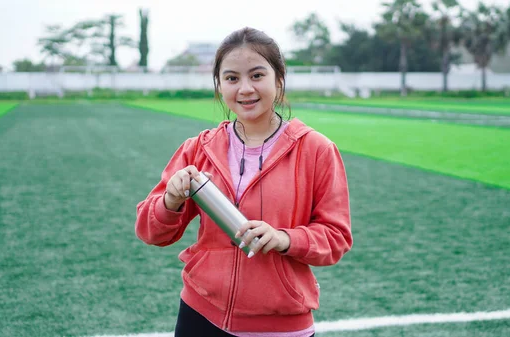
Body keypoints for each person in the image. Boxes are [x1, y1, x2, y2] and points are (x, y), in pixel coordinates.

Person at [135, 27, 352, 337]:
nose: (245, 89)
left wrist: (284, 239)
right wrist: (170, 201)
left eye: (257, 75)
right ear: (219, 86)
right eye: (232, 78)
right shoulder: (198, 148)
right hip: (200, 314)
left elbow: (336, 237)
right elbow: (149, 231)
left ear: (278, 80)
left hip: (281, 325)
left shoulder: (316, 150)